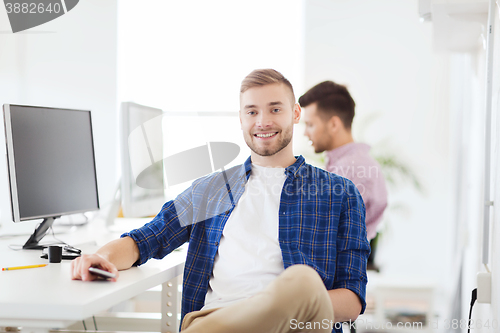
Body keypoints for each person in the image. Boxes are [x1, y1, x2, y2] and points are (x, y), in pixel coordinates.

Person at [71, 69, 370, 333]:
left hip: (297, 326)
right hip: (218, 318)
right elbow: (147, 239)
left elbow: (353, 299)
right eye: (251, 112)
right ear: (241, 119)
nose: (263, 121)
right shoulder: (210, 190)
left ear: (295, 113)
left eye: (275, 109)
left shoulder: (339, 193)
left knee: (304, 282)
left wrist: (282, 307)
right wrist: (103, 257)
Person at [300, 81, 387, 241]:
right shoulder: (356, 163)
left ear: (334, 124)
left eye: (310, 125)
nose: (305, 133)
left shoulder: (349, 169)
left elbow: (326, 233)